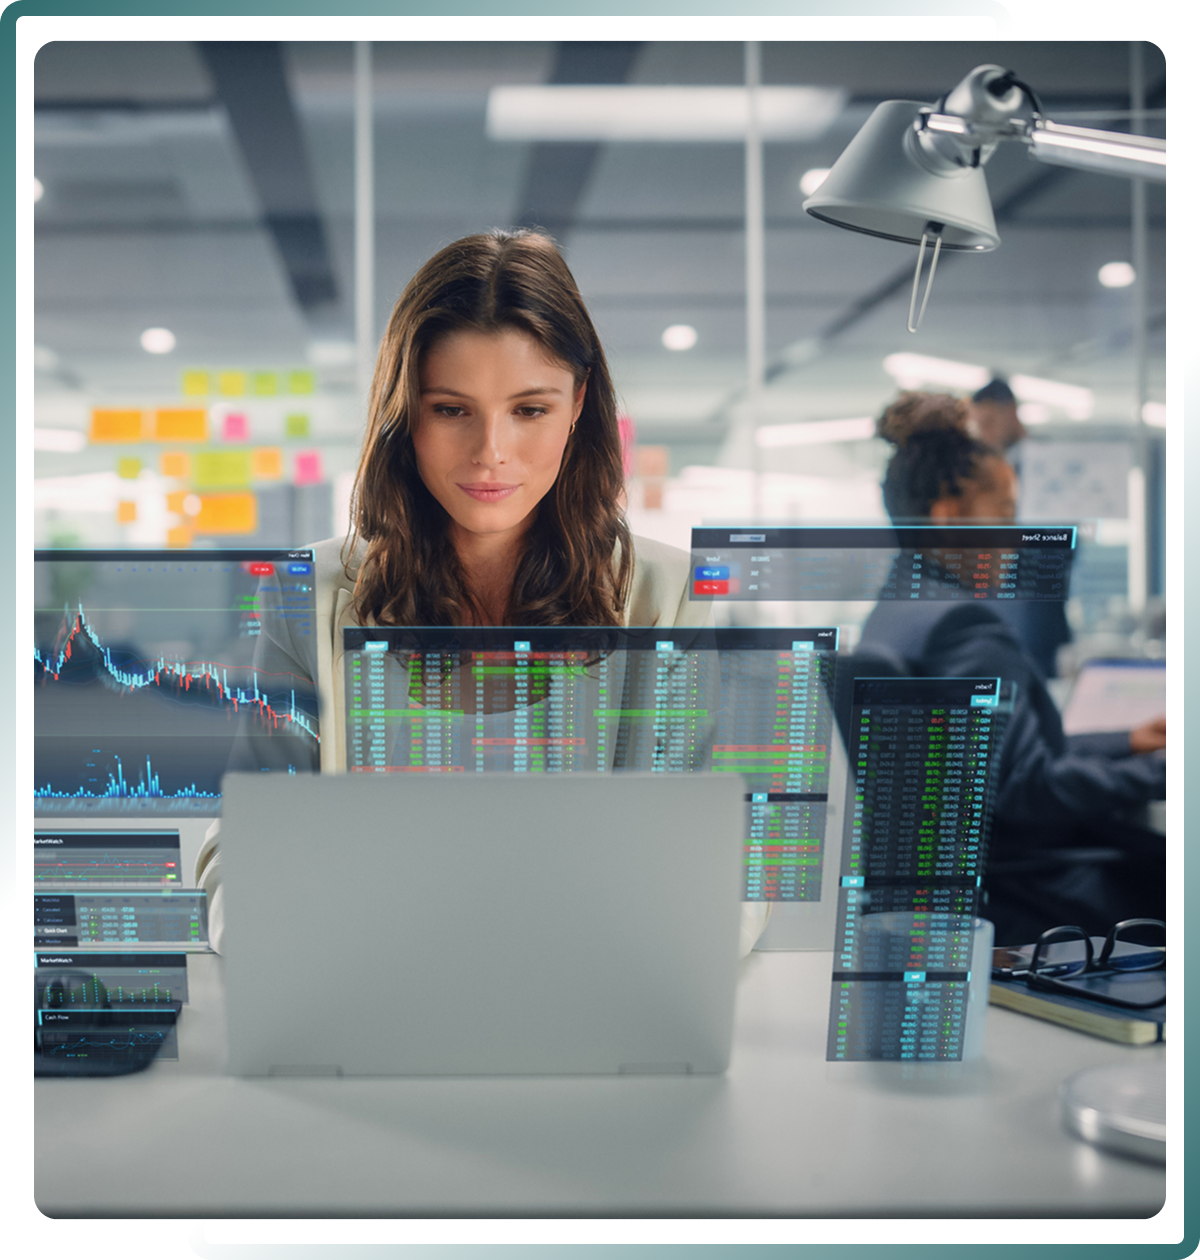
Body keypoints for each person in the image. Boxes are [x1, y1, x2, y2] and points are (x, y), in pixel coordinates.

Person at [196, 229, 767, 953]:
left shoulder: (670, 594)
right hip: (369, 987)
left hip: (592, 992)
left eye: (529, 410)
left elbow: (728, 852)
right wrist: (273, 944)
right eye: (450, 409)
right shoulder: (307, 595)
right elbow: (246, 837)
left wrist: (677, 944)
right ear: (406, 415)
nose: (490, 451)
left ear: (578, 405)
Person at [858, 391, 1182, 944]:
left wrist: (1128, 739)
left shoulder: (895, 615)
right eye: (1004, 512)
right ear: (948, 518)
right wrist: (1172, 775)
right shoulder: (966, 629)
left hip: (970, 883)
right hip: (1031, 889)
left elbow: (1001, 762)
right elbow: (1025, 792)